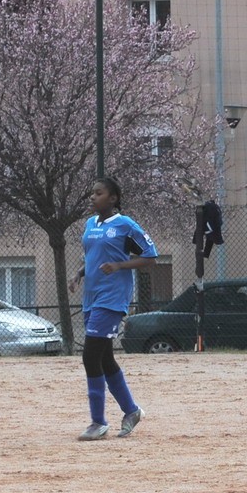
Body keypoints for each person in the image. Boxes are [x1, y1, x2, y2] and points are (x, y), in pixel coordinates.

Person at [69, 177, 157, 440]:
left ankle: (98, 422)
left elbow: (150, 256)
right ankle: (131, 411)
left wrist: (119, 266)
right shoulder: (90, 224)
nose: (93, 197)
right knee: (105, 358)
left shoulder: (125, 225)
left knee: (90, 356)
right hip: (92, 298)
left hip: (112, 298)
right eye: (92, 193)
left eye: (98, 193)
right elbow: (95, 256)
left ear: (113, 198)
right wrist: (79, 273)